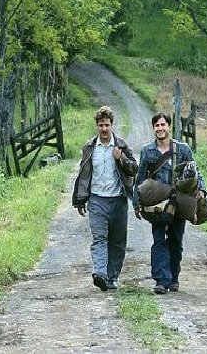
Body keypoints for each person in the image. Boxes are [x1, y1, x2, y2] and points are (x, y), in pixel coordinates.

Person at [133, 112, 207, 294]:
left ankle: (173, 277)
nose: (160, 128)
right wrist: (137, 202)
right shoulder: (147, 151)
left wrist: (202, 189)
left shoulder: (182, 149)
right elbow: (140, 179)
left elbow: (195, 171)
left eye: (163, 124)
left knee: (176, 241)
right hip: (157, 203)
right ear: (153, 128)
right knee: (159, 240)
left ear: (168, 126)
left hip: (179, 201)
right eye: (157, 125)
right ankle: (161, 280)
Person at [72, 105, 137, 292]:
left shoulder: (121, 145)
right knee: (99, 238)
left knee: (117, 241)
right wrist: (80, 199)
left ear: (112, 125)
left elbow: (134, 169)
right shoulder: (90, 147)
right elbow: (83, 174)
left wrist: (121, 158)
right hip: (97, 200)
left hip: (118, 200)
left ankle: (112, 277)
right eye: (101, 125)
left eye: (107, 125)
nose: (104, 129)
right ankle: (100, 273)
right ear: (96, 126)